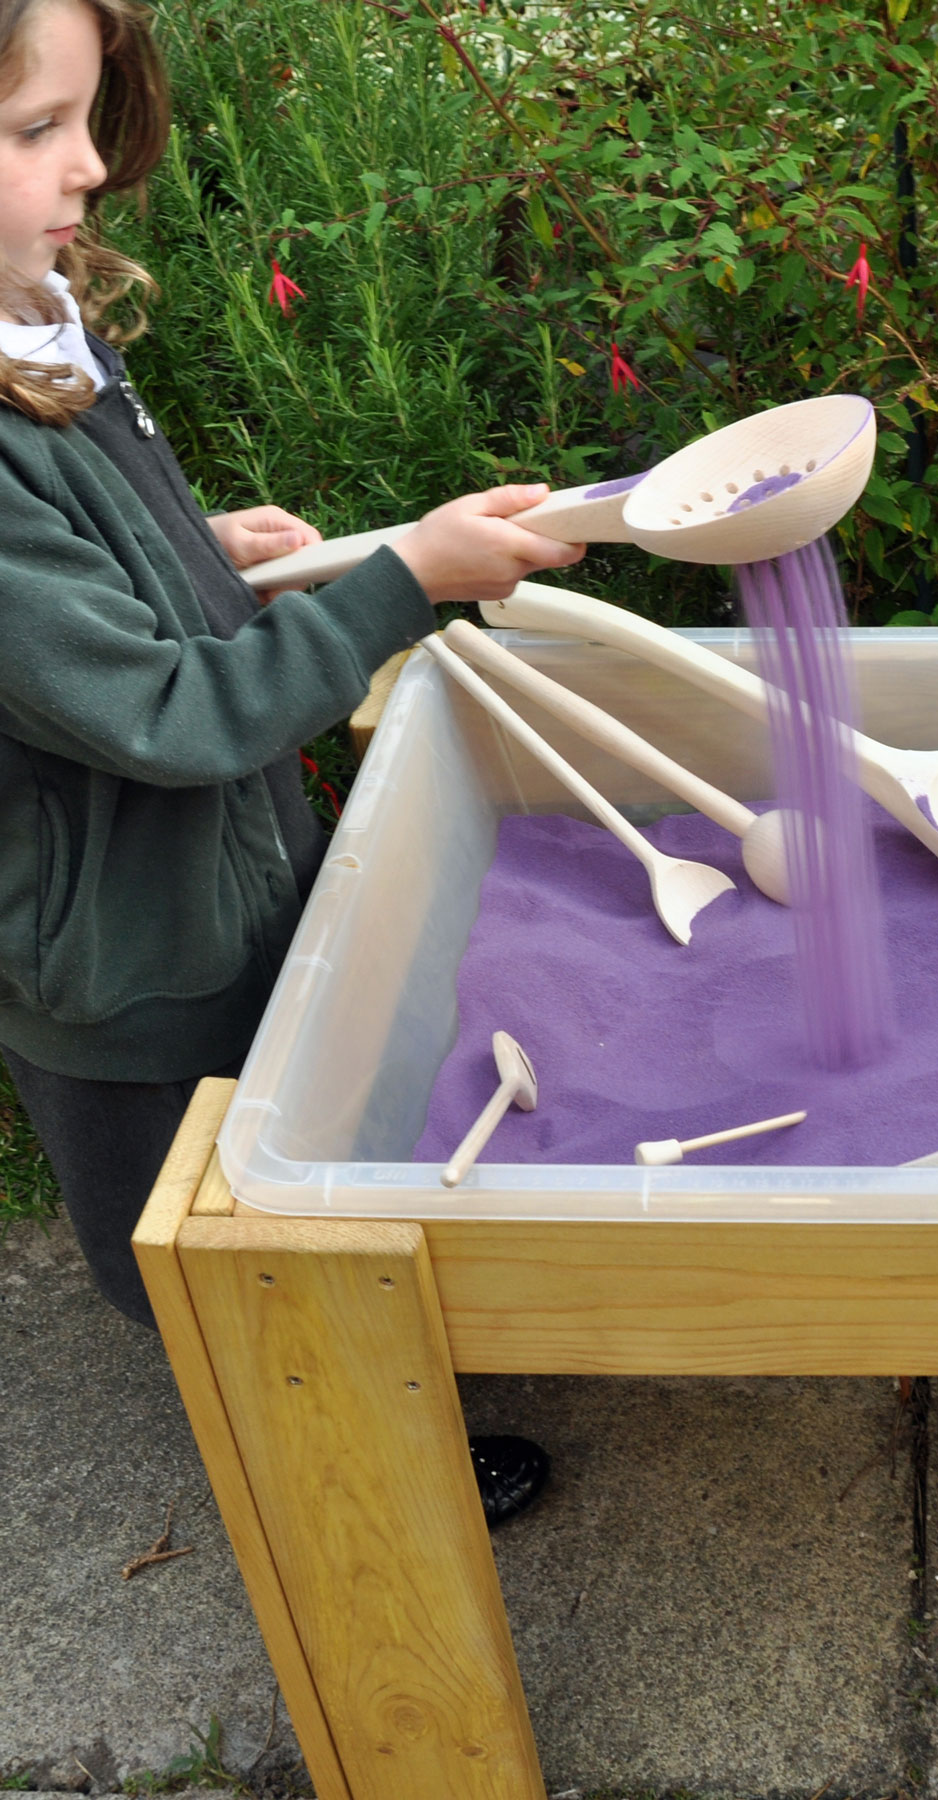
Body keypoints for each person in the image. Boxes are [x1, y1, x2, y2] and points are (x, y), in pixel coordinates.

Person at [0, 0, 578, 1523]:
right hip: (121, 955)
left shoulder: (34, 316)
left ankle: (339, 1385)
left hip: (207, 889)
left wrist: (208, 553)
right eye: (36, 131)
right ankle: (348, 1500)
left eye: (86, 116)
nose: (90, 169)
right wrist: (406, 584)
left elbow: (90, 595)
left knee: (287, 1166)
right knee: (213, 1265)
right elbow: (169, 717)